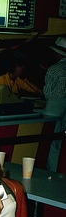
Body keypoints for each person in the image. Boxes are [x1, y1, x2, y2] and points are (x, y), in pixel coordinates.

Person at [44, 36, 66, 172]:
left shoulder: (54, 69)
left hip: (54, 106)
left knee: (50, 141)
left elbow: (47, 92)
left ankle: (51, 171)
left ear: (58, 53)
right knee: (60, 140)